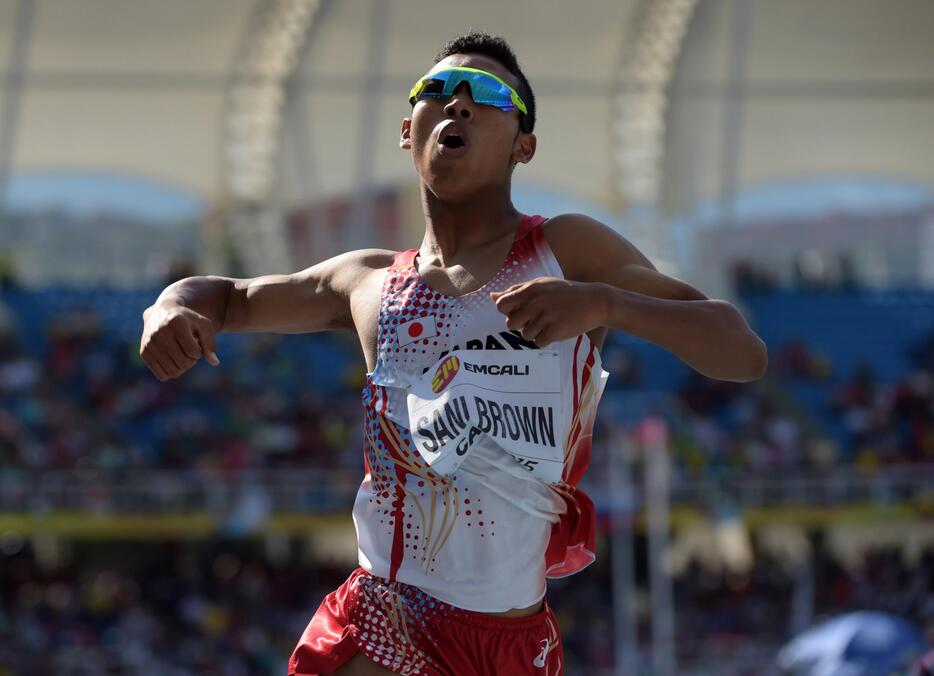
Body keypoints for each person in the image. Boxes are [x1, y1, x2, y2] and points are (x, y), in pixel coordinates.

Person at [140, 31, 767, 676]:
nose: (458, 104)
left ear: (524, 146)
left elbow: (742, 352)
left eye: (487, 95)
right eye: (436, 91)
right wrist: (171, 306)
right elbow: (231, 295)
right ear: (408, 130)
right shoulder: (370, 282)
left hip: (512, 640)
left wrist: (607, 304)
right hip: (386, 621)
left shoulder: (566, 252)